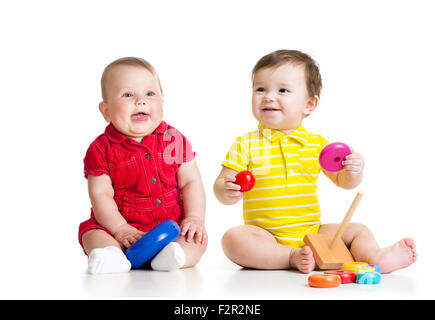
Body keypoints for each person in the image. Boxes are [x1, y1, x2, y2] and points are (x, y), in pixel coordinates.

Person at [214, 49, 417, 274]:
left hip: (312, 232)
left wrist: (353, 172)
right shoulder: (245, 143)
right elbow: (221, 185)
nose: (269, 96)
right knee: (233, 239)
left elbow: (344, 182)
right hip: (265, 236)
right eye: (260, 89)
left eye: (283, 90)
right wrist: (227, 189)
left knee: (359, 230)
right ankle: (290, 257)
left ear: (309, 104)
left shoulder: (317, 144)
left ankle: (376, 256)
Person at [79, 57, 207, 274]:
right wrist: (120, 230)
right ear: (106, 110)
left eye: (150, 94)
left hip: (170, 227)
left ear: (162, 102)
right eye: (128, 95)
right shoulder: (100, 148)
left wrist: (194, 218)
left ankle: (173, 256)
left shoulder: (173, 138)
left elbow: (191, 181)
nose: (141, 101)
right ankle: (112, 256)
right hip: (118, 227)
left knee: (197, 239)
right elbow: (100, 194)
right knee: (92, 234)